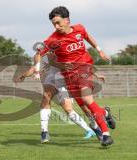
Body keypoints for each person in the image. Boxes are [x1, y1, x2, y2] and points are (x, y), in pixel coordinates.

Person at [37, 6, 115, 146]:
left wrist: (99, 50)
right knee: (84, 106)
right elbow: (40, 54)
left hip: (84, 69)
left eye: (58, 23)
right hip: (68, 76)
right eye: (53, 24)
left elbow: (87, 36)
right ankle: (105, 113)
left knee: (86, 99)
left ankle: (106, 134)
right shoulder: (52, 40)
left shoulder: (79, 29)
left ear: (67, 20)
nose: (56, 26)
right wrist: (38, 68)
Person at [15, 52, 102, 143]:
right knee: (46, 97)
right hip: (52, 84)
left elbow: (78, 64)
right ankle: (44, 131)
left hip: (64, 85)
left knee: (69, 109)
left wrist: (95, 74)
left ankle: (93, 127)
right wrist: (22, 76)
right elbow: (33, 68)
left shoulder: (62, 55)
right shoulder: (42, 60)